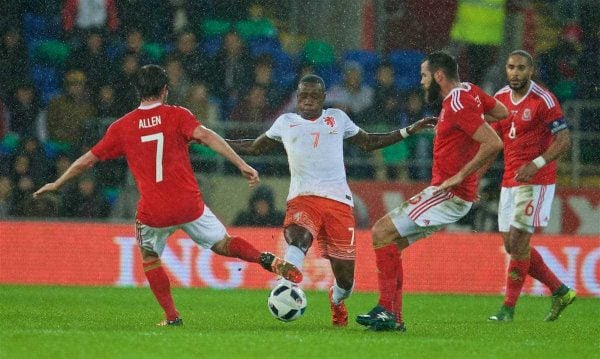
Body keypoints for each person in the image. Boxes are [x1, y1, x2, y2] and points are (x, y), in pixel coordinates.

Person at [33, 64, 302, 327]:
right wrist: (241, 164)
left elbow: (86, 161)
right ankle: (265, 259)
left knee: (150, 256)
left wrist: (58, 182)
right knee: (223, 243)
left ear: (138, 91)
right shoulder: (177, 115)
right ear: (165, 90)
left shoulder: (121, 127)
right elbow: (208, 137)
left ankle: (172, 316)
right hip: (188, 204)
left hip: (154, 211)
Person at [226, 74, 437, 327]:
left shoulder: (337, 118)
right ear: (297, 96)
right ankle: (287, 279)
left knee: (346, 280)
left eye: (314, 96)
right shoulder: (286, 122)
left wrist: (408, 130)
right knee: (298, 235)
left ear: (323, 98)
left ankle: (336, 299)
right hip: (303, 198)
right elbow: (254, 147)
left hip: (338, 203)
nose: (307, 101)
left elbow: (369, 142)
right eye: (303, 96)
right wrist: (216, 142)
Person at [355, 51, 505, 332]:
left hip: (448, 191)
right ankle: (394, 319)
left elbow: (494, 141)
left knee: (380, 232)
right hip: (455, 192)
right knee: (391, 244)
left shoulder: (459, 102)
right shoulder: (469, 92)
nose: (421, 82)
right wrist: (467, 142)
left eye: (424, 76)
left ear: (439, 76)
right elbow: (502, 113)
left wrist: (464, 173)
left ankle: (386, 310)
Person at [487, 50, 575, 322]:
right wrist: (476, 174)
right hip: (510, 179)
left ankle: (508, 309)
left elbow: (564, 141)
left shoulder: (543, 100)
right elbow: (493, 141)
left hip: (537, 179)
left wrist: (536, 163)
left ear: (531, 70)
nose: (515, 72)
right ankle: (560, 291)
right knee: (512, 246)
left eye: (521, 68)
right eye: (511, 67)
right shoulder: (499, 99)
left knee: (518, 241)